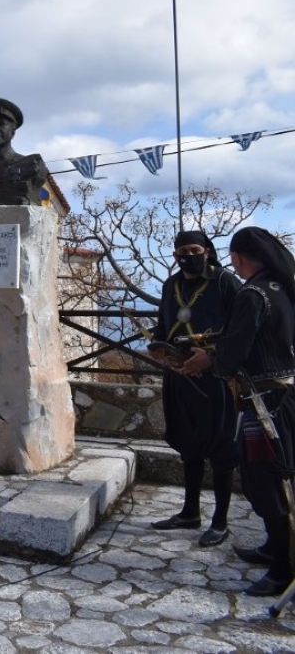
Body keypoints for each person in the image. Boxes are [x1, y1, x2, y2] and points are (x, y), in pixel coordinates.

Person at [183, 226, 295, 596]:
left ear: (240, 257)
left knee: (267, 480)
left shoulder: (252, 294)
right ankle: (272, 547)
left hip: (264, 405)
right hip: (286, 398)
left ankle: (282, 568)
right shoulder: (281, 289)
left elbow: (233, 356)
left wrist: (209, 358)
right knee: (282, 477)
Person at [146, 231, 241, 547]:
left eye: (194, 249)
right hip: (178, 373)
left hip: (215, 377)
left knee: (221, 446)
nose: (188, 256)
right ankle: (190, 512)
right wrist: (158, 347)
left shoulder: (225, 282)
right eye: (181, 251)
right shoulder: (170, 285)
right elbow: (163, 323)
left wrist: (212, 358)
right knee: (189, 444)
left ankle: (221, 521)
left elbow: (243, 330)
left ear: (208, 252)